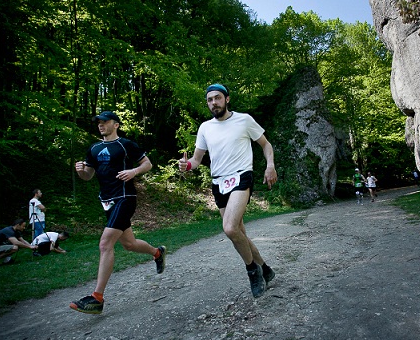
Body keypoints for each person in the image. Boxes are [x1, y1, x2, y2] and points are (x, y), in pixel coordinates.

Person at [178, 83, 277, 298]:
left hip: (241, 176)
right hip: (219, 183)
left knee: (230, 229)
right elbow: (197, 159)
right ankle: (265, 269)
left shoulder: (244, 120)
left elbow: (266, 144)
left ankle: (253, 271)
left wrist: (270, 165)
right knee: (239, 234)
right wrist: (187, 166)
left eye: (217, 98)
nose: (214, 102)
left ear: (227, 99)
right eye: (210, 100)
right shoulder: (205, 128)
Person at [70, 110, 166, 314]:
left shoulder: (125, 144)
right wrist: (80, 171)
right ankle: (157, 253)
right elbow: (88, 176)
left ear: (116, 124)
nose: (101, 125)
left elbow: (147, 163)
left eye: (105, 122)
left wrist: (133, 171)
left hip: (125, 198)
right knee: (129, 244)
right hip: (106, 201)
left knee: (105, 244)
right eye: (99, 122)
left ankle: (97, 298)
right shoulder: (94, 148)